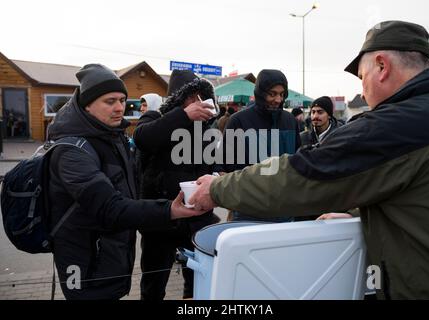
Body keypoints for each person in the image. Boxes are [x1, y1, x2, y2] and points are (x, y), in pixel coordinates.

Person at [190, 20, 429, 299]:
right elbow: (422, 194)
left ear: (382, 66)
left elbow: (304, 172)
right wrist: (357, 213)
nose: (362, 92)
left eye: (362, 77)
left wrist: (218, 189)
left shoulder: (398, 124)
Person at [46, 64, 206, 300]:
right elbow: (110, 207)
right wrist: (169, 210)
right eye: (110, 101)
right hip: (83, 257)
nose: (120, 107)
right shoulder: (72, 151)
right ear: (86, 104)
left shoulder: (113, 137)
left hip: (112, 252)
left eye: (122, 100)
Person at [133, 69, 220, 300]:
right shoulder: (154, 118)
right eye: (191, 97)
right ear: (178, 99)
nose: (197, 103)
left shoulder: (206, 130)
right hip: (161, 217)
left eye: (201, 97)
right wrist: (183, 115)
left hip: (196, 217)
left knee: (197, 281)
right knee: (154, 282)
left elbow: (212, 165)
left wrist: (218, 175)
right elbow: (143, 138)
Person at [214, 69, 299, 222]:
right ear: (260, 93)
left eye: (281, 94)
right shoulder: (238, 121)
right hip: (247, 211)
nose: (278, 99)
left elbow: (298, 162)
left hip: (284, 209)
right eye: (272, 94)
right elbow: (222, 168)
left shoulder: (290, 121)